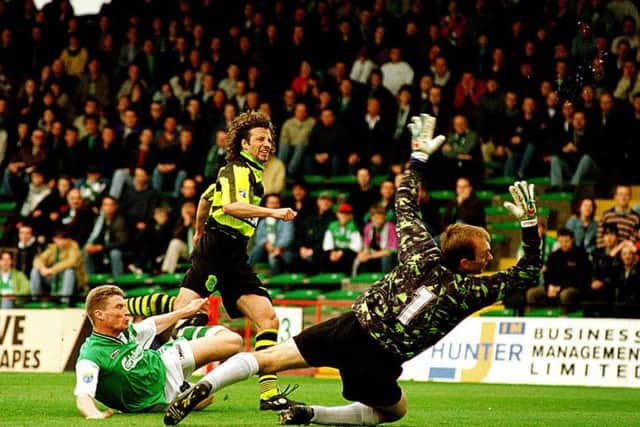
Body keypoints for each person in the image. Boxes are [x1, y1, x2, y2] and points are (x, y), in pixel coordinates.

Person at [164, 114, 541, 426]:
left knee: (268, 357)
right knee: (395, 410)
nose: (490, 257)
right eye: (486, 253)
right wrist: (529, 228)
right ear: (466, 264)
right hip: (378, 360)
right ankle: (313, 414)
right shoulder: (468, 292)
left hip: (350, 325)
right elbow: (526, 274)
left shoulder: (419, 251)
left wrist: (418, 160)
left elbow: (405, 202)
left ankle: (207, 384)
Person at [174, 111, 298, 411]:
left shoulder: (251, 173)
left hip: (234, 254)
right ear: (244, 143)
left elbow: (206, 199)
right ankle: (165, 373)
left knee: (268, 319)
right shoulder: (235, 169)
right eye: (260, 139)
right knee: (182, 315)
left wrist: (198, 229)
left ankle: (269, 395)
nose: (267, 144)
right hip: (217, 248)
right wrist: (273, 213)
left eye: (269, 139)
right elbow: (229, 206)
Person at [74, 285, 243, 418]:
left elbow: (152, 324)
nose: (126, 312)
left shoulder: (126, 332)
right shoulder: (91, 355)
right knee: (206, 398)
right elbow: (83, 395)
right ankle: (183, 386)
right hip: (156, 400)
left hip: (166, 362)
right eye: (119, 307)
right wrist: (94, 414)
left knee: (233, 341)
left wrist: (185, 312)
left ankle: (184, 332)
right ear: (99, 315)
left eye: (124, 307)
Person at [31, 229, 87, 304]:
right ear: (55, 239)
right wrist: (42, 268)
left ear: (69, 239)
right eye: (59, 239)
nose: (62, 242)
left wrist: (52, 269)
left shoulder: (74, 246)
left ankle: (64, 300)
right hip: (55, 278)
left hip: (74, 282)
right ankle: (35, 298)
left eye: (64, 239)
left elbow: (71, 261)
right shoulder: (52, 248)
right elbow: (38, 260)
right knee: (35, 270)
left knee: (69, 271)